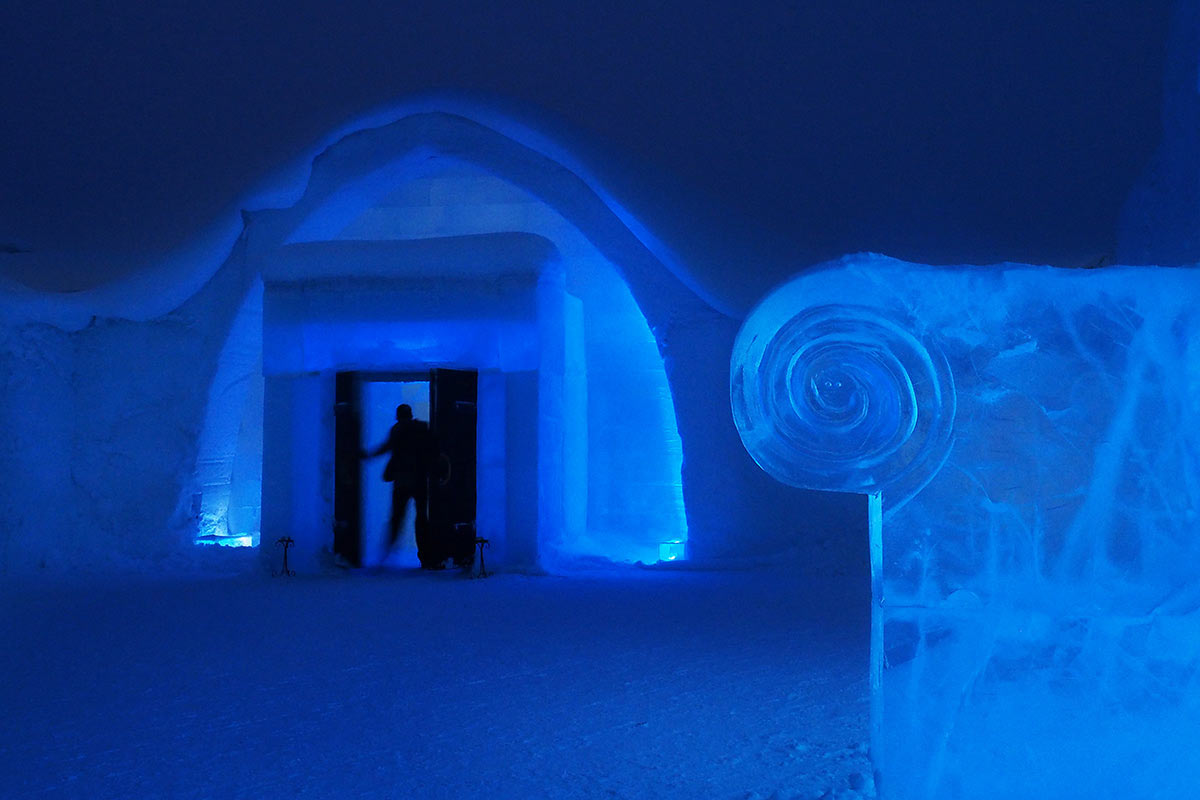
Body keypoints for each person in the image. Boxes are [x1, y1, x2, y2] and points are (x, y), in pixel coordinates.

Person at [361, 404, 438, 567]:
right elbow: (433, 450)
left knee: (397, 518)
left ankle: (386, 554)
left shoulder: (396, 430)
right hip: (419, 480)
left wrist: (368, 455)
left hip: (401, 482)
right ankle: (426, 557)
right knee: (422, 519)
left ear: (398, 416)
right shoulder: (422, 429)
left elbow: (386, 447)